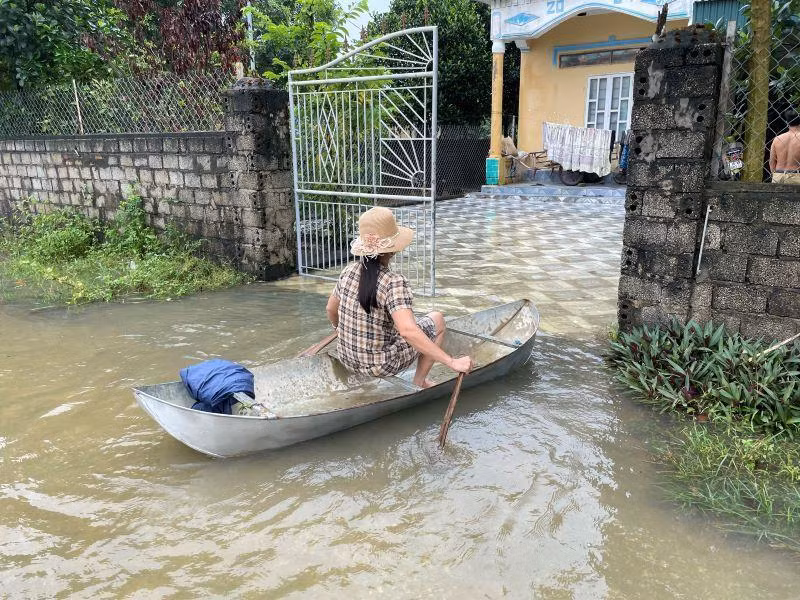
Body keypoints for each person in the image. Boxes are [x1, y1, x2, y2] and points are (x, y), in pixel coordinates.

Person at [326, 206, 472, 388]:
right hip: (380, 366)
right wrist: (452, 362)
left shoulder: (348, 271)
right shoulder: (393, 282)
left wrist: (339, 329)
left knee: (402, 324)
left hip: (346, 357)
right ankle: (420, 381)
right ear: (392, 250)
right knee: (438, 320)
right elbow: (408, 331)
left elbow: (331, 309)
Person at [769, 108, 800, 184]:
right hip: (796, 176)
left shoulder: (777, 139)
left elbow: (772, 162)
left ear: (787, 122)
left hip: (778, 176)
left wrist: (774, 175)